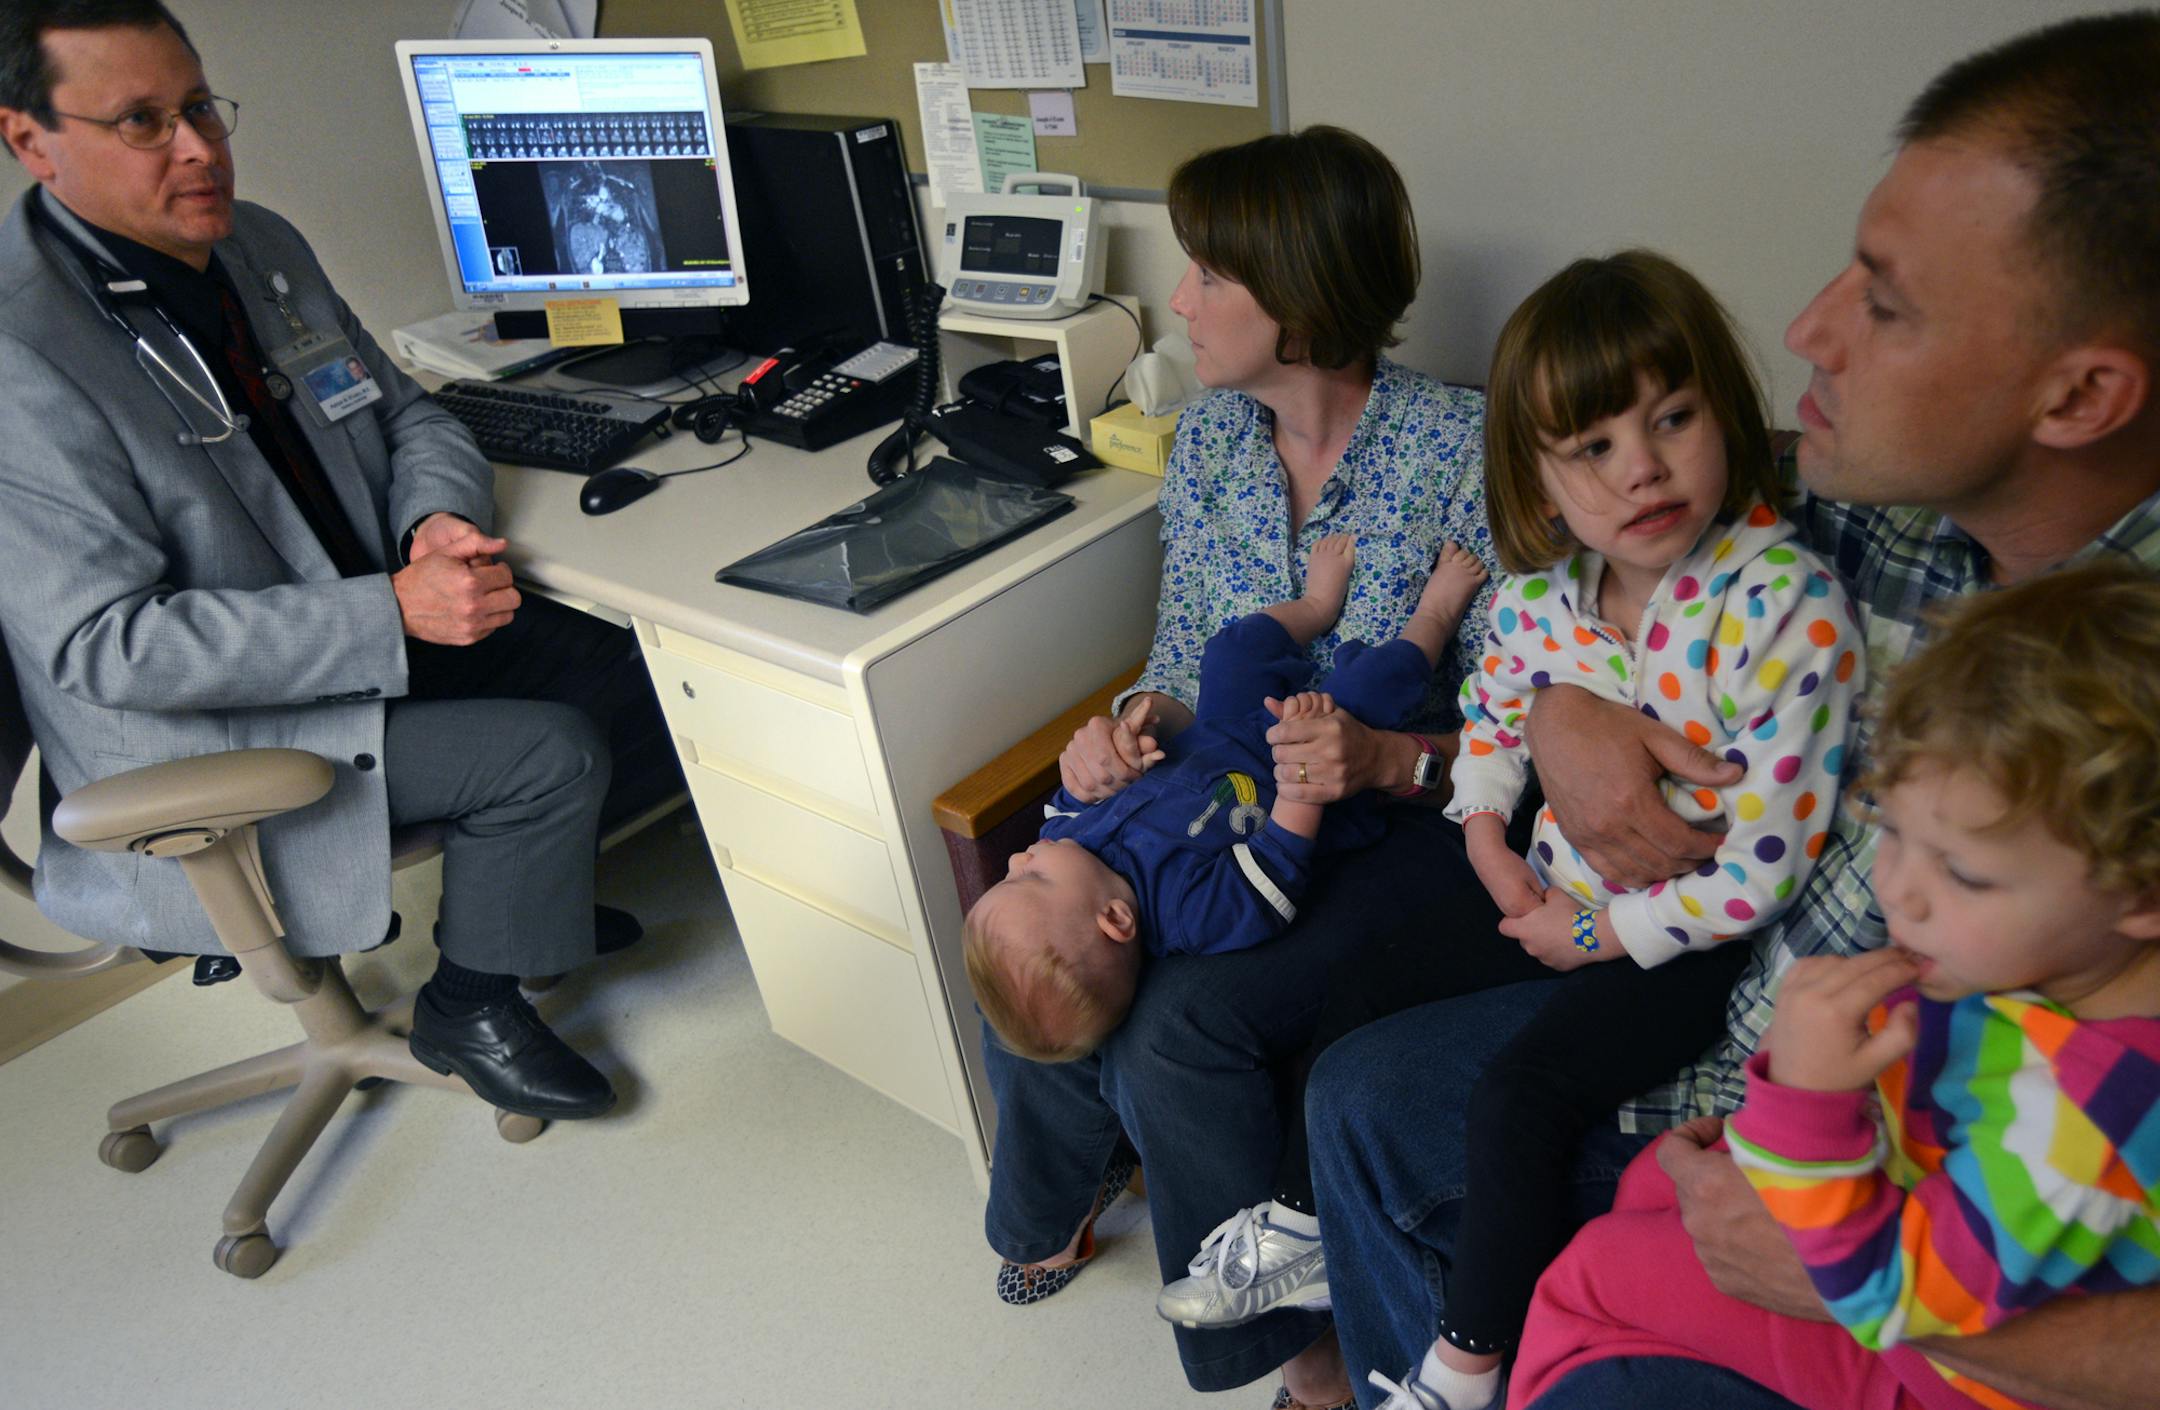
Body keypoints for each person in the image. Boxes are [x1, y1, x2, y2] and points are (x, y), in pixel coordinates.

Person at [1306, 13, 2160, 1409]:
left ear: (2079, 392)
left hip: (1899, 1185)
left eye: (1884, 301)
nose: (1809, 327)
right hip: (1742, 1037)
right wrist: (1564, 715)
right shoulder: (1864, 514)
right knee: (1358, 1091)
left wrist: (1862, 1278)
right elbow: (1607, 602)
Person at [1162, 251, 1865, 1410]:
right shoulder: (1545, 598)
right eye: (1593, 447)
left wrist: (1600, 936)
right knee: (1362, 985)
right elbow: (1492, 723)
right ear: (1540, 487)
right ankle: (1299, 1228)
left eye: (1673, 419)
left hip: (1684, 944)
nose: (1642, 467)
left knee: (1519, 1098)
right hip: (1538, 889)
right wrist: (1486, 839)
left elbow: (1766, 871)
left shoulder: (1784, 603)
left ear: (1726, 418)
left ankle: (1467, 1362)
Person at [0, 1, 674, 1121]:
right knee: (547, 753)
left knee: (631, 667)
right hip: (211, 725)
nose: (199, 149)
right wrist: (390, 613)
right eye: (141, 122)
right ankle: (472, 999)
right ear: (31, 140)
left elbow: (414, 415)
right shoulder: (23, 357)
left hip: (362, 618)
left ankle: (515, 899)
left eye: (202, 106)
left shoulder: (255, 246)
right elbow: (104, 648)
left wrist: (427, 530)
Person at [978, 124, 1500, 1407]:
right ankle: (1049, 1196)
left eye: (1210, 272)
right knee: (1035, 912)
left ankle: (1303, 1359)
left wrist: (1383, 757)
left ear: (1303, 289)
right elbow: (1173, 655)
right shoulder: (1211, 443)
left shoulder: (1465, 453)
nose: (1179, 299)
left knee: (1168, 1027)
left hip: (1402, 834)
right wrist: (1127, 730)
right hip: (1222, 793)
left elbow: (1518, 738)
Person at [1512, 562, 2160, 1410]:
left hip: (1933, 1370)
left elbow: (1893, 1297)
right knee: (1647, 1190)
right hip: (1899, 1229)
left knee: (1590, 1279)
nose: (1898, 892)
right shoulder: (2051, 969)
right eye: (1892, 831)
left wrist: (1805, 1104)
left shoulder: (2091, 1111)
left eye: (1962, 872)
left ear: (2141, 893)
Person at [967, 537, 1487, 1063]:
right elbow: (1273, 875)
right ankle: (1436, 613)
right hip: (1309, 768)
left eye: (1006, 873)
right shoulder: (1188, 911)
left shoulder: (1068, 840)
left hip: (1223, 727)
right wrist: (1302, 777)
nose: (1016, 858)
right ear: (1115, 920)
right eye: (1029, 878)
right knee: (1375, 681)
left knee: (1230, 650)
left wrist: (1112, 756)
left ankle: (1315, 606)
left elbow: (1075, 796)